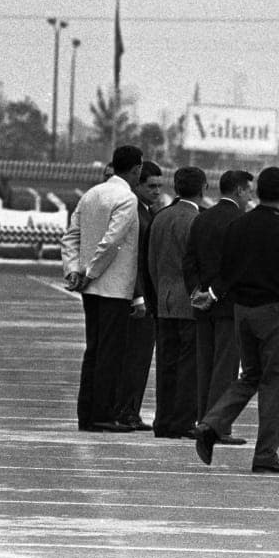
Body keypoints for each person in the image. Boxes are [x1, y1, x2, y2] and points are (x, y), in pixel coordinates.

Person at [192, 167, 279, 474]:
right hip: (273, 311)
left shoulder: (239, 225)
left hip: (242, 311)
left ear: (257, 192)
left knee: (249, 376)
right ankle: (266, 453)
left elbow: (226, 271)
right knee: (275, 382)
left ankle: (211, 424)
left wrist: (214, 294)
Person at [60, 145, 145, 433]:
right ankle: (102, 415)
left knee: (93, 350)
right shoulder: (127, 199)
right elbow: (112, 242)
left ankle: (87, 414)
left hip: (91, 289)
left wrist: (74, 270)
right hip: (113, 287)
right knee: (110, 353)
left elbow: (71, 237)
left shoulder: (91, 194)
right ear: (136, 169)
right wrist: (89, 272)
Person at [183, 169, 252, 445]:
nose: (250, 196)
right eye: (248, 191)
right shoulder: (241, 222)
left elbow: (189, 261)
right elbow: (237, 266)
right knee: (225, 367)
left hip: (202, 306)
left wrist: (197, 291)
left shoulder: (201, 218)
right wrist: (215, 292)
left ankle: (203, 420)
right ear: (238, 191)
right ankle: (218, 427)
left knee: (205, 365)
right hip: (228, 305)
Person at [148, 166, 206, 439]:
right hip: (189, 301)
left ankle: (163, 419)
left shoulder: (160, 217)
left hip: (164, 299)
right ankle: (182, 420)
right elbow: (198, 264)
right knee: (188, 365)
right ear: (202, 188)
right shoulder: (196, 219)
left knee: (166, 363)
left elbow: (150, 263)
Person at [118, 160, 162, 431]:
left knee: (140, 358)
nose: (157, 191)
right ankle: (127, 410)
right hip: (139, 296)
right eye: (151, 186)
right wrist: (138, 296)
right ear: (138, 185)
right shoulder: (136, 211)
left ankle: (130, 409)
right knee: (136, 357)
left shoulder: (148, 211)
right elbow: (132, 258)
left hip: (145, 294)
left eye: (160, 186)